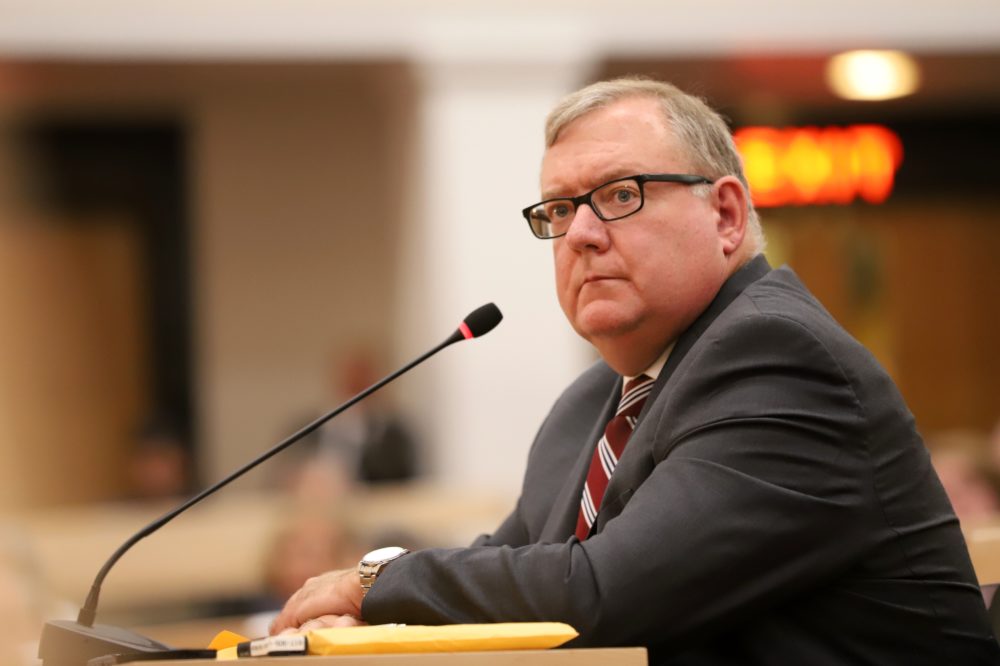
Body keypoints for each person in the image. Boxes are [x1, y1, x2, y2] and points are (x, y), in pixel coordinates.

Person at [270, 77, 999, 663]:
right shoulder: (594, 398)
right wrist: (364, 606)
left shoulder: (780, 358)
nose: (580, 235)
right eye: (559, 209)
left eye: (619, 195)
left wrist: (377, 583)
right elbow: (509, 563)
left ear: (725, 216)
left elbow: (604, 597)